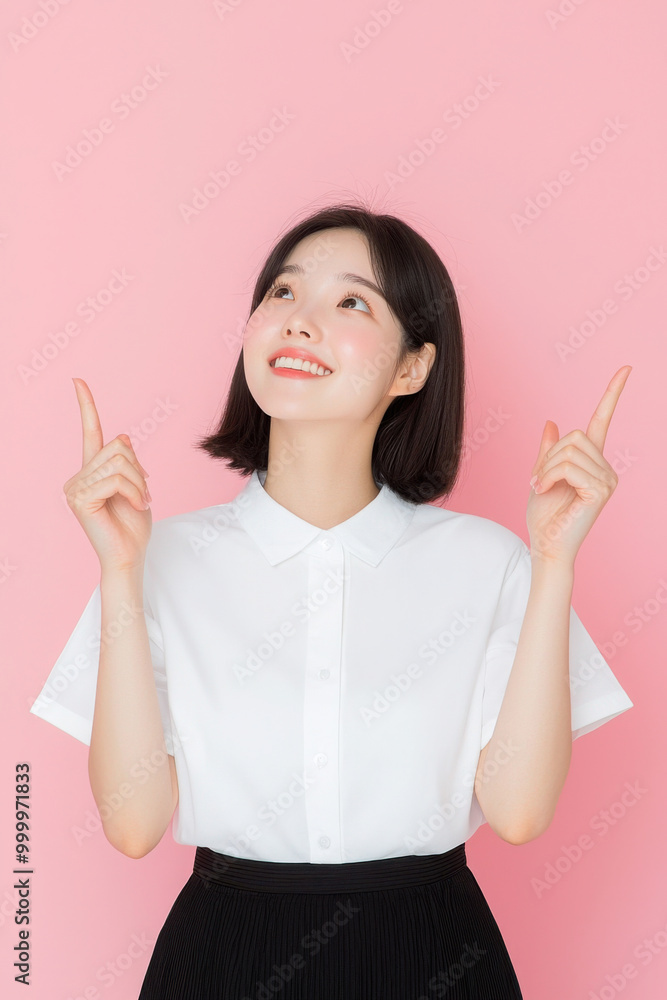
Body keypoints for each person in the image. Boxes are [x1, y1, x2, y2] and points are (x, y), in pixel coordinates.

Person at [30, 202, 634, 999]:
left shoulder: (488, 562)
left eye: (350, 301)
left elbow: (518, 814)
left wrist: (553, 563)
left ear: (412, 367)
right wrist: (117, 574)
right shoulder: (154, 557)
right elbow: (133, 824)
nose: (299, 320)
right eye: (282, 293)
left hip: (433, 952)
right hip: (223, 956)